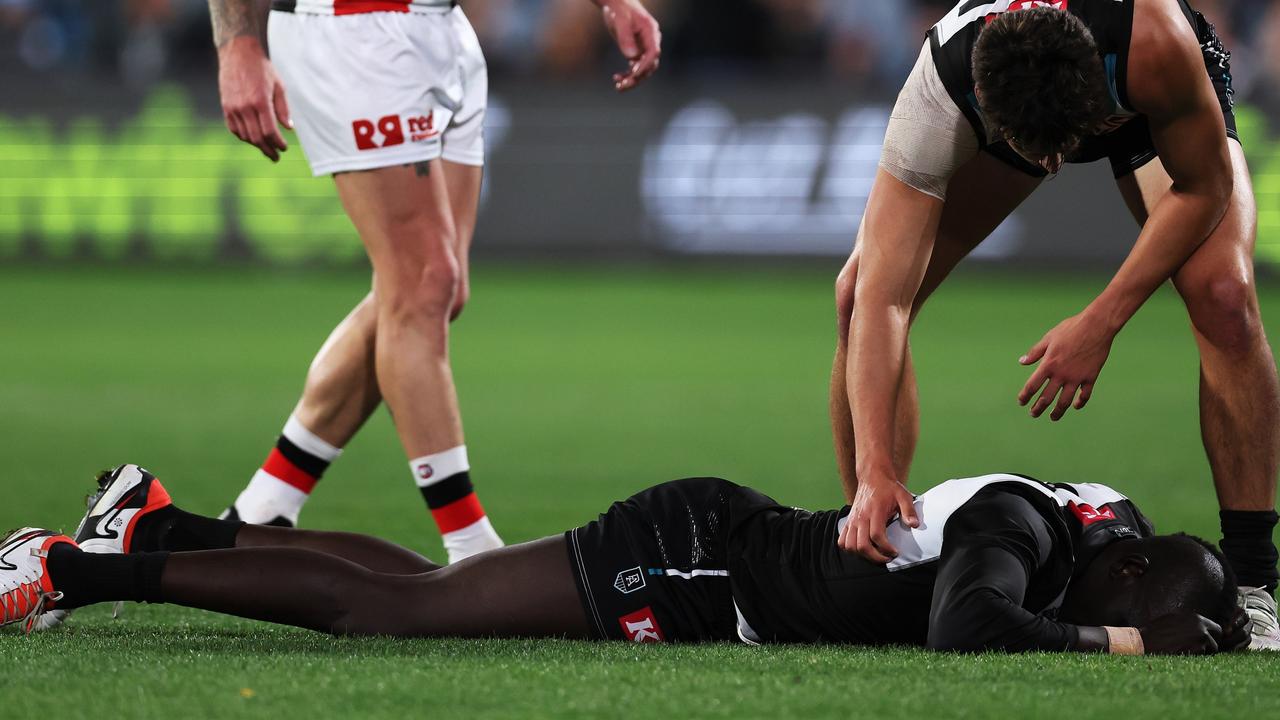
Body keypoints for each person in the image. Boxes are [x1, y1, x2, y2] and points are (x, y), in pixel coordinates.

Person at [828, 0, 1280, 648]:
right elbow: (883, 300)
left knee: (1225, 297)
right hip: (1029, 101)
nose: (1052, 170)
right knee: (854, 293)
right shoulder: (945, 83)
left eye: (1061, 151)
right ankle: (878, 549)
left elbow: (1203, 186)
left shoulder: (1152, 41)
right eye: (1036, 155)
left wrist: (1102, 321)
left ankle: (1256, 584)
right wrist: (872, 468)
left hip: (1137, 99)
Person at [205, 0, 661, 562]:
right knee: (423, 284)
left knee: (436, 290)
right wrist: (238, 47)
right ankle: (472, 549)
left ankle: (265, 505)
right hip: (352, 30)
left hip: (443, 29)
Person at [4, 464, 1249, 654]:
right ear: (1119, 573)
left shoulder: (1103, 530)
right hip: (694, 560)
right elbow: (964, 626)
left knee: (422, 589)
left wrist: (1226, 623)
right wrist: (1119, 645)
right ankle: (70, 567)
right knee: (394, 617)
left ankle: (159, 524)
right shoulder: (1023, 533)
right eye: (1118, 600)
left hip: (722, 546)